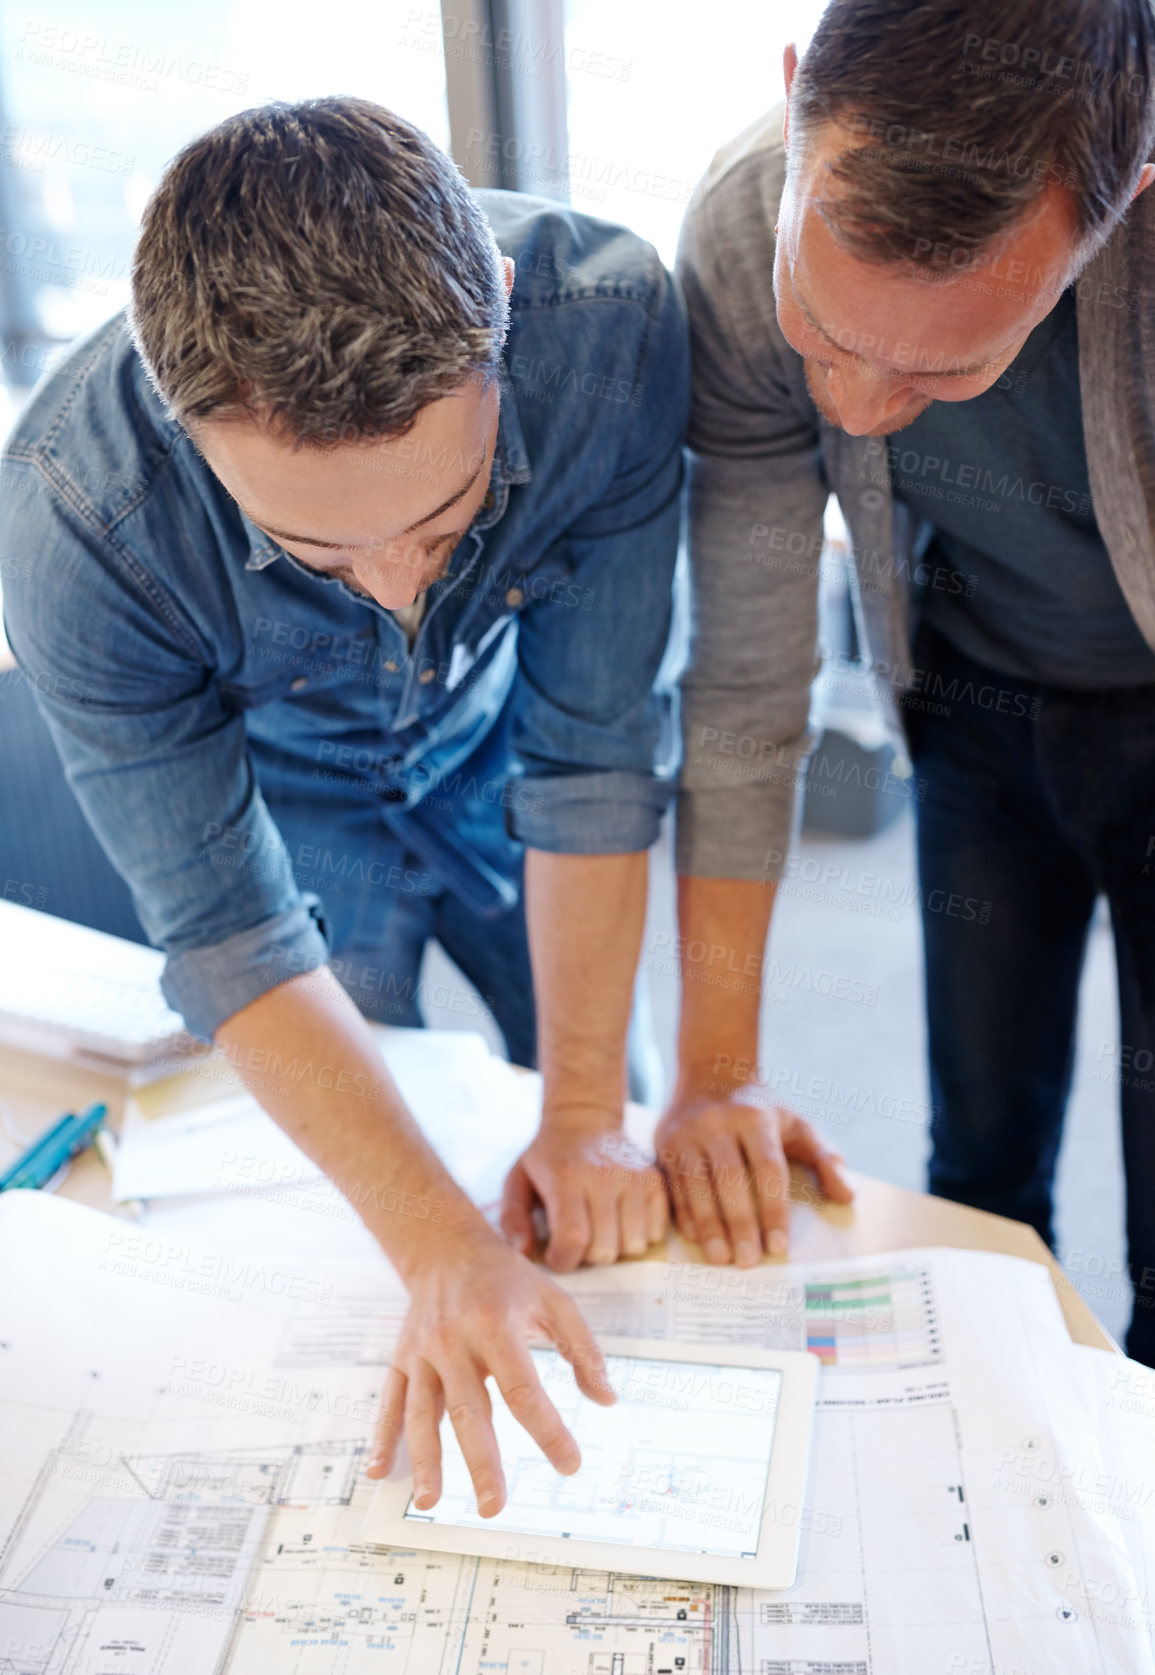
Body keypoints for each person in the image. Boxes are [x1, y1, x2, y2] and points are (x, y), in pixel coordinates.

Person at [0, 94, 698, 1514]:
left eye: (443, 525)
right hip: (294, 792)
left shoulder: (615, 330)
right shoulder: (75, 516)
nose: (397, 590)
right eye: (315, 546)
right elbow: (231, 930)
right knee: (367, 1202)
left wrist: (584, 1116)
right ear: (181, 414)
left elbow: (598, 757)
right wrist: (444, 1242)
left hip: (519, 754)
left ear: (498, 310)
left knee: (599, 1121)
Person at [665, 0, 1155, 1366]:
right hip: (978, 709)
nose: (860, 411)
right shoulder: (738, 216)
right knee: (980, 1161)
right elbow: (754, 674)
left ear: (1120, 216)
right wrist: (715, 1074)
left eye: (947, 366)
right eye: (821, 328)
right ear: (794, 103)